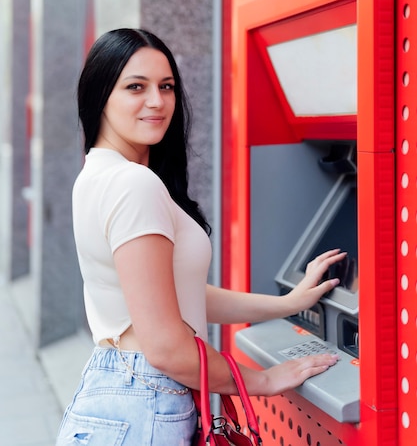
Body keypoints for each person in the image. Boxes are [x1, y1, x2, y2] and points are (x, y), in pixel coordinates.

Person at [56, 28, 345, 446]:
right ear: (100, 96)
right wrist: (260, 380)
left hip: (122, 395)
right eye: (136, 87)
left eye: (166, 86)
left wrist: (287, 303)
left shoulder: (96, 176)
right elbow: (166, 347)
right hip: (146, 403)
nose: (157, 101)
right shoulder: (132, 184)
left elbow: (173, 293)